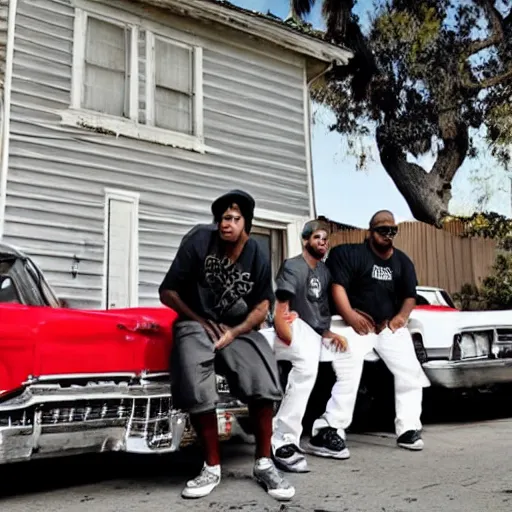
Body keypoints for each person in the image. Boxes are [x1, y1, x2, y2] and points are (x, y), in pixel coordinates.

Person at [159, 190, 294, 501]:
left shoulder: (257, 253)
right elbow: (167, 291)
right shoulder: (198, 242)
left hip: (238, 325)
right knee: (194, 372)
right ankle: (211, 466)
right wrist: (200, 320)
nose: (226, 224)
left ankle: (263, 463)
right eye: (222, 218)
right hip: (197, 321)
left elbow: (262, 305)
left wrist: (235, 333)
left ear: (246, 223)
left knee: (263, 373)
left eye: (234, 218)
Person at [307, 210, 431, 457]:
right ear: (370, 231)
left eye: (392, 230)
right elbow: (337, 287)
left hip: (386, 326)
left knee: (410, 370)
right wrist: (351, 317)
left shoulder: (402, 261)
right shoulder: (349, 254)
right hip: (350, 323)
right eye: (383, 230)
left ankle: (408, 428)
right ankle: (327, 428)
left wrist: (400, 318)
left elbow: (409, 296)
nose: (388, 235)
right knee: (349, 371)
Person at [261, 221, 348, 473]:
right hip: (288, 328)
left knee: (347, 353)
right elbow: (281, 310)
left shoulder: (324, 272)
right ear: (305, 240)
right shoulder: (293, 266)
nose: (323, 242)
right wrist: (288, 336)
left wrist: (330, 334)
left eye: (326, 239)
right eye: (318, 237)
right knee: (305, 362)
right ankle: (282, 440)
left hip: (311, 333)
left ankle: (327, 428)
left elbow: (319, 313)